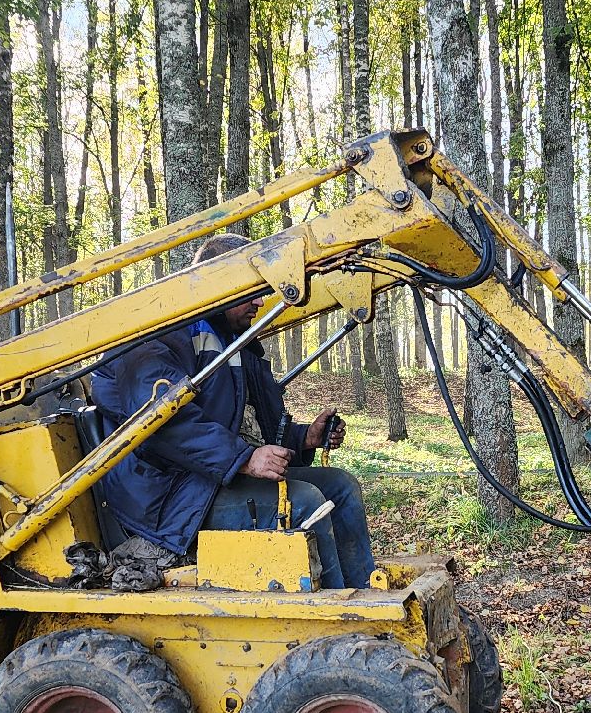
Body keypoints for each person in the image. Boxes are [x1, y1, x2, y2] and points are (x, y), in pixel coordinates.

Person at [89, 233, 376, 589]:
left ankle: (362, 591)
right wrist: (243, 459)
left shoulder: (237, 342)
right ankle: (337, 609)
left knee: (341, 486)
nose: (260, 301)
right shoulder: (157, 336)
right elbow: (165, 423)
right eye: (250, 290)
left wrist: (305, 438)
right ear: (217, 284)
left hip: (210, 479)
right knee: (305, 501)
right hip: (168, 498)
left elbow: (250, 424)